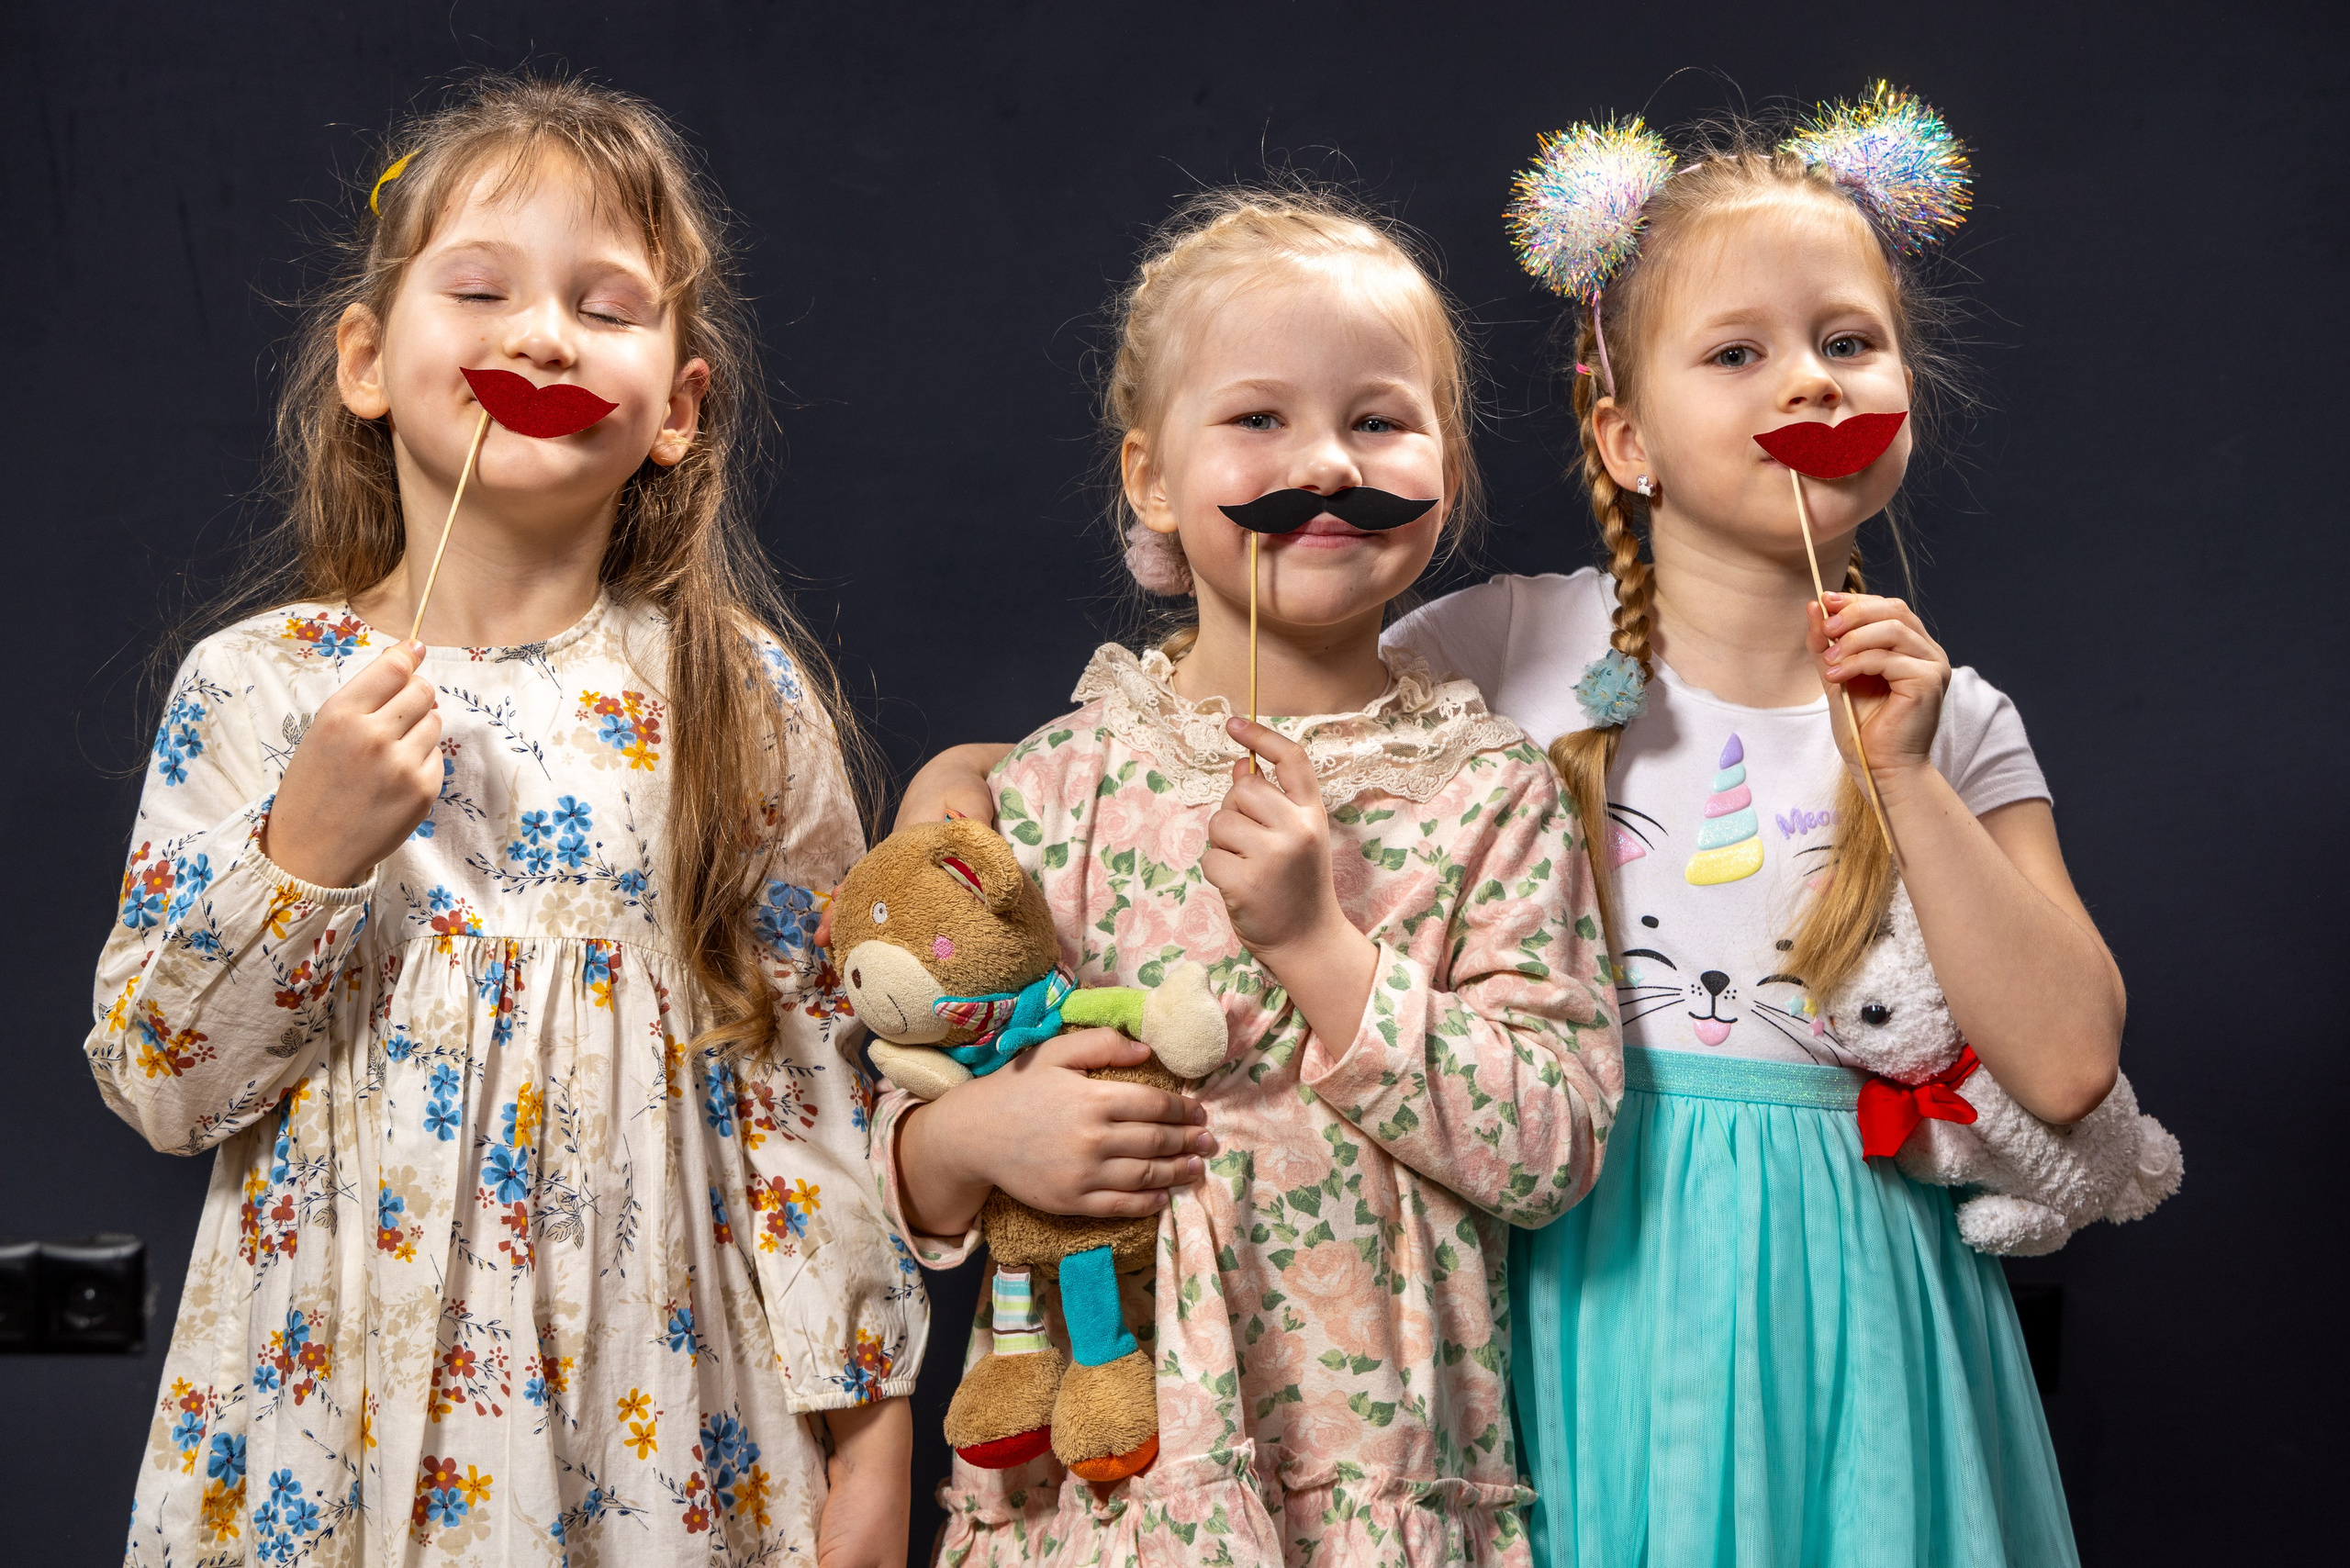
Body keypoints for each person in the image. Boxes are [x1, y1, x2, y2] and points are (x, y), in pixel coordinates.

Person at [89, 73, 917, 1566]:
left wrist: (869, 1423)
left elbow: (815, 1079)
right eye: (482, 289)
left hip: (663, 1408)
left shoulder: (736, 692)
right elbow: (164, 1088)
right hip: (323, 1405)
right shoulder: (259, 688)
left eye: (605, 308)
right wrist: (306, 855)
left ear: (676, 410)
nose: (543, 335)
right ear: (363, 359)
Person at [1388, 95, 2111, 1563]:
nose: (1814, 381)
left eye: (1849, 342)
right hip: (1571, 1279)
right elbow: (1227, 735)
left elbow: (2070, 1064)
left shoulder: (1957, 718)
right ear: (1626, 437)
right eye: (1739, 353)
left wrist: (1905, 776)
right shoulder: (1494, 648)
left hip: (1865, 1316)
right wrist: (970, 774)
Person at [881, 187, 1619, 1564]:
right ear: (1153, 477)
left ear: (1444, 464)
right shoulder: (1049, 792)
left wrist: (1320, 950)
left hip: (1373, 1478)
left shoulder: (1493, 795)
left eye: (1380, 420)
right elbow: (892, 1147)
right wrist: (976, 1140)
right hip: (1103, 1497)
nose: (1326, 464)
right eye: (1261, 420)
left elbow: (1554, 1147)